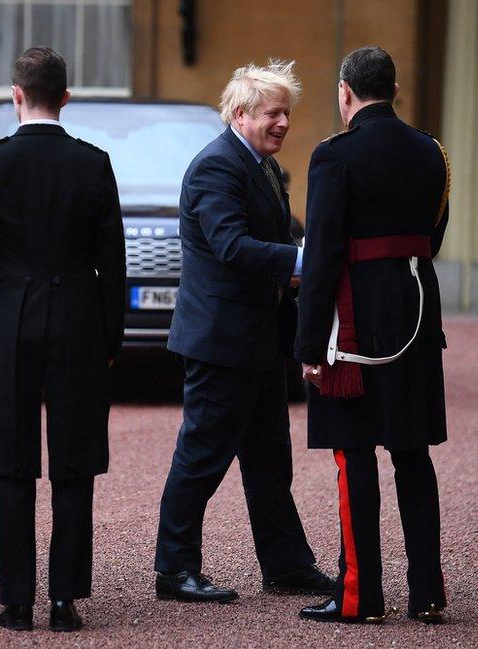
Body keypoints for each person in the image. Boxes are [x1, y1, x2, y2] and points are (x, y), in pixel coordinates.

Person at [0, 47, 125, 633]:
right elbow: (113, 264)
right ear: (65, 99)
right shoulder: (94, 164)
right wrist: (110, 337)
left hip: (12, 315)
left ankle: (17, 601)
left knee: (13, 461)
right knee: (72, 462)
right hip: (76, 314)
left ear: (16, 96)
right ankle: (64, 600)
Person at [154, 60, 334, 603]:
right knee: (202, 457)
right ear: (240, 113)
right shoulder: (218, 167)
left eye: (287, 113)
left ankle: (284, 565)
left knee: (268, 460)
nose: (283, 123)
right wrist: (307, 260)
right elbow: (231, 247)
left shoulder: (259, 166)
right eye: (273, 113)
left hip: (253, 341)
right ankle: (174, 570)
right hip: (221, 343)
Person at [295, 46, 450, 624]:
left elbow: (324, 254)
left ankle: (360, 595)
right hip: (415, 310)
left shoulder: (334, 156)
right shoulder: (432, 151)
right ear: (395, 88)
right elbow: (433, 236)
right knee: (412, 453)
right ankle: (427, 593)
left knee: (353, 453)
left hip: (354, 318)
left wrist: (309, 345)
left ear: (345, 92)